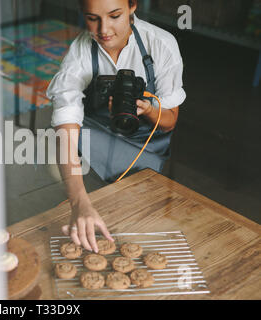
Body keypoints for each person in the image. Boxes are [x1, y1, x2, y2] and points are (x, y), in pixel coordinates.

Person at [46, 0, 186, 253]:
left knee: (131, 226)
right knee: (59, 138)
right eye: (92, 18)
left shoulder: (161, 44)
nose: (104, 29)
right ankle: (83, 201)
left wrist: (149, 110)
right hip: (96, 141)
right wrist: (78, 201)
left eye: (114, 15)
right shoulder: (81, 52)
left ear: (133, 6)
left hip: (145, 149)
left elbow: (170, 122)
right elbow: (66, 125)